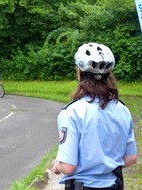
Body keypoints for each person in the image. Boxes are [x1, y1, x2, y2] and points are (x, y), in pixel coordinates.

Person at [52, 42, 137, 190]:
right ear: (108, 75)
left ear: (79, 72)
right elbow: (130, 158)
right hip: (115, 185)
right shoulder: (123, 110)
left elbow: (68, 167)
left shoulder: (72, 113)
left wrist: (57, 166)